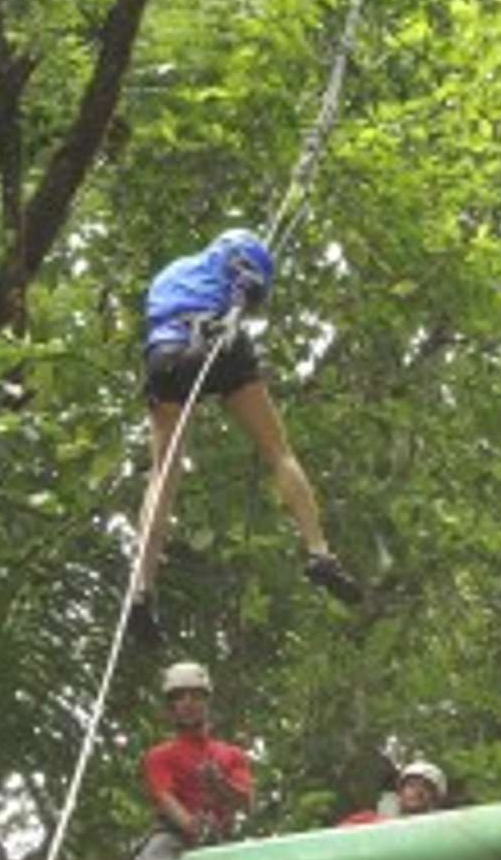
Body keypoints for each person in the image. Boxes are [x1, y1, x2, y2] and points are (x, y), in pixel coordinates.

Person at [132, 228, 361, 637]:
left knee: (162, 477)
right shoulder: (241, 252)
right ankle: (319, 552)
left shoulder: (174, 271)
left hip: (165, 357)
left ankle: (142, 587)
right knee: (278, 452)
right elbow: (248, 282)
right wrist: (240, 306)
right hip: (219, 343)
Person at [134, 662, 253, 860]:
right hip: (173, 837)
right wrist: (191, 825)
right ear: (171, 706)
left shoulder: (232, 754)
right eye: (179, 696)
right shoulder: (159, 756)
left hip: (222, 838)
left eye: (195, 696)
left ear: (206, 701)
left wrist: (220, 784)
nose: (187, 703)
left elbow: (246, 803)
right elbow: (165, 799)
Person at [338, 759, 447, 825]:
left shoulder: (441, 830)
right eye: (411, 785)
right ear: (400, 792)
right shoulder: (368, 820)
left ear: (435, 798)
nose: (417, 791)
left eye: (425, 787)